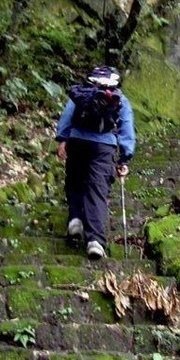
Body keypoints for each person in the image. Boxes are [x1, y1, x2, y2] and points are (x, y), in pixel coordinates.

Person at [56, 66, 136, 260]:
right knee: (97, 190)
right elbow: (126, 127)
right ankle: (95, 241)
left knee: (75, 181)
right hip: (104, 146)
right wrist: (124, 158)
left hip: (77, 142)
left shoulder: (82, 93)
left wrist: (63, 139)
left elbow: (67, 116)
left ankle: (75, 220)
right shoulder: (120, 98)